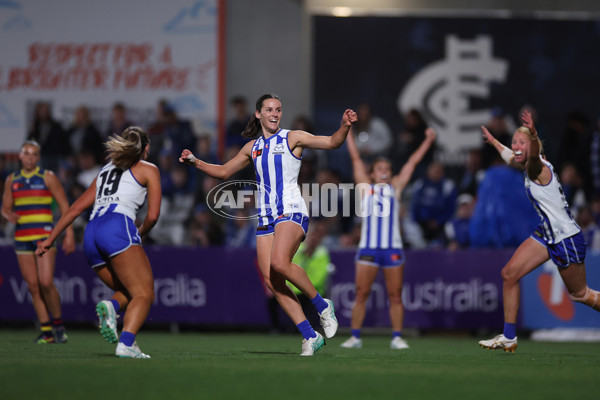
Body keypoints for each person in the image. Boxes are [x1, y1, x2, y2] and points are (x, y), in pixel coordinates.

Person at [180, 93, 356, 356]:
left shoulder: (292, 137)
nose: (275, 113)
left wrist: (344, 127)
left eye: (278, 109)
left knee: (279, 264)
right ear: (258, 114)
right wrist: (196, 161)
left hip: (291, 210)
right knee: (273, 282)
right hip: (266, 218)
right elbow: (225, 171)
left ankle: (322, 305)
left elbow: (331, 143)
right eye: (269, 109)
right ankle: (310, 335)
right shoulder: (252, 147)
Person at [478, 110, 600, 353]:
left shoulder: (537, 166)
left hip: (565, 238)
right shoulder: (524, 162)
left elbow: (529, 157)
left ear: (533, 146)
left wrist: (532, 134)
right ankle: (509, 337)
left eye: (521, 142)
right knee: (509, 274)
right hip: (547, 233)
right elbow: (511, 157)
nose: (516, 146)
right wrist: (493, 142)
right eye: (515, 141)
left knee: (581, 295)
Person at [36, 127, 161, 359]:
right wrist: (140, 232)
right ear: (145, 148)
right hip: (117, 227)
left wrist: (50, 240)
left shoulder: (104, 170)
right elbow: (153, 216)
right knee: (145, 294)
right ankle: (126, 343)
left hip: (91, 234)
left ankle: (111, 308)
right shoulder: (149, 169)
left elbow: (74, 209)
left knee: (128, 290)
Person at [340, 125, 436, 350]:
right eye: (379, 168)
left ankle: (397, 337)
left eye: (387, 168)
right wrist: (348, 132)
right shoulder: (366, 188)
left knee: (395, 295)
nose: (383, 171)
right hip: (368, 249)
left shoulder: (396, 187)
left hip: (391, 248)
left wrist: (428, 140)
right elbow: (355, 158)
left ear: (390, 173)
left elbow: (412, 162)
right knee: (361, 294)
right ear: (372, 173)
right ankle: (355, 337)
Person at [1, 140, 76, 343]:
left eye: (34, 154)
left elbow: (64, 207)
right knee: (33, 286)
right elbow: (5, 208)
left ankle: (58, 326)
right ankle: (47, 332)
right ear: (19, 155)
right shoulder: (12, 180)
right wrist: (8, 215)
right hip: (22, 237)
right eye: (26, 153)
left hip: (44, 236)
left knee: (45, 282)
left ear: (38, 157)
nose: (30, 158)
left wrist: (69, 234)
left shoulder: (47, 177)